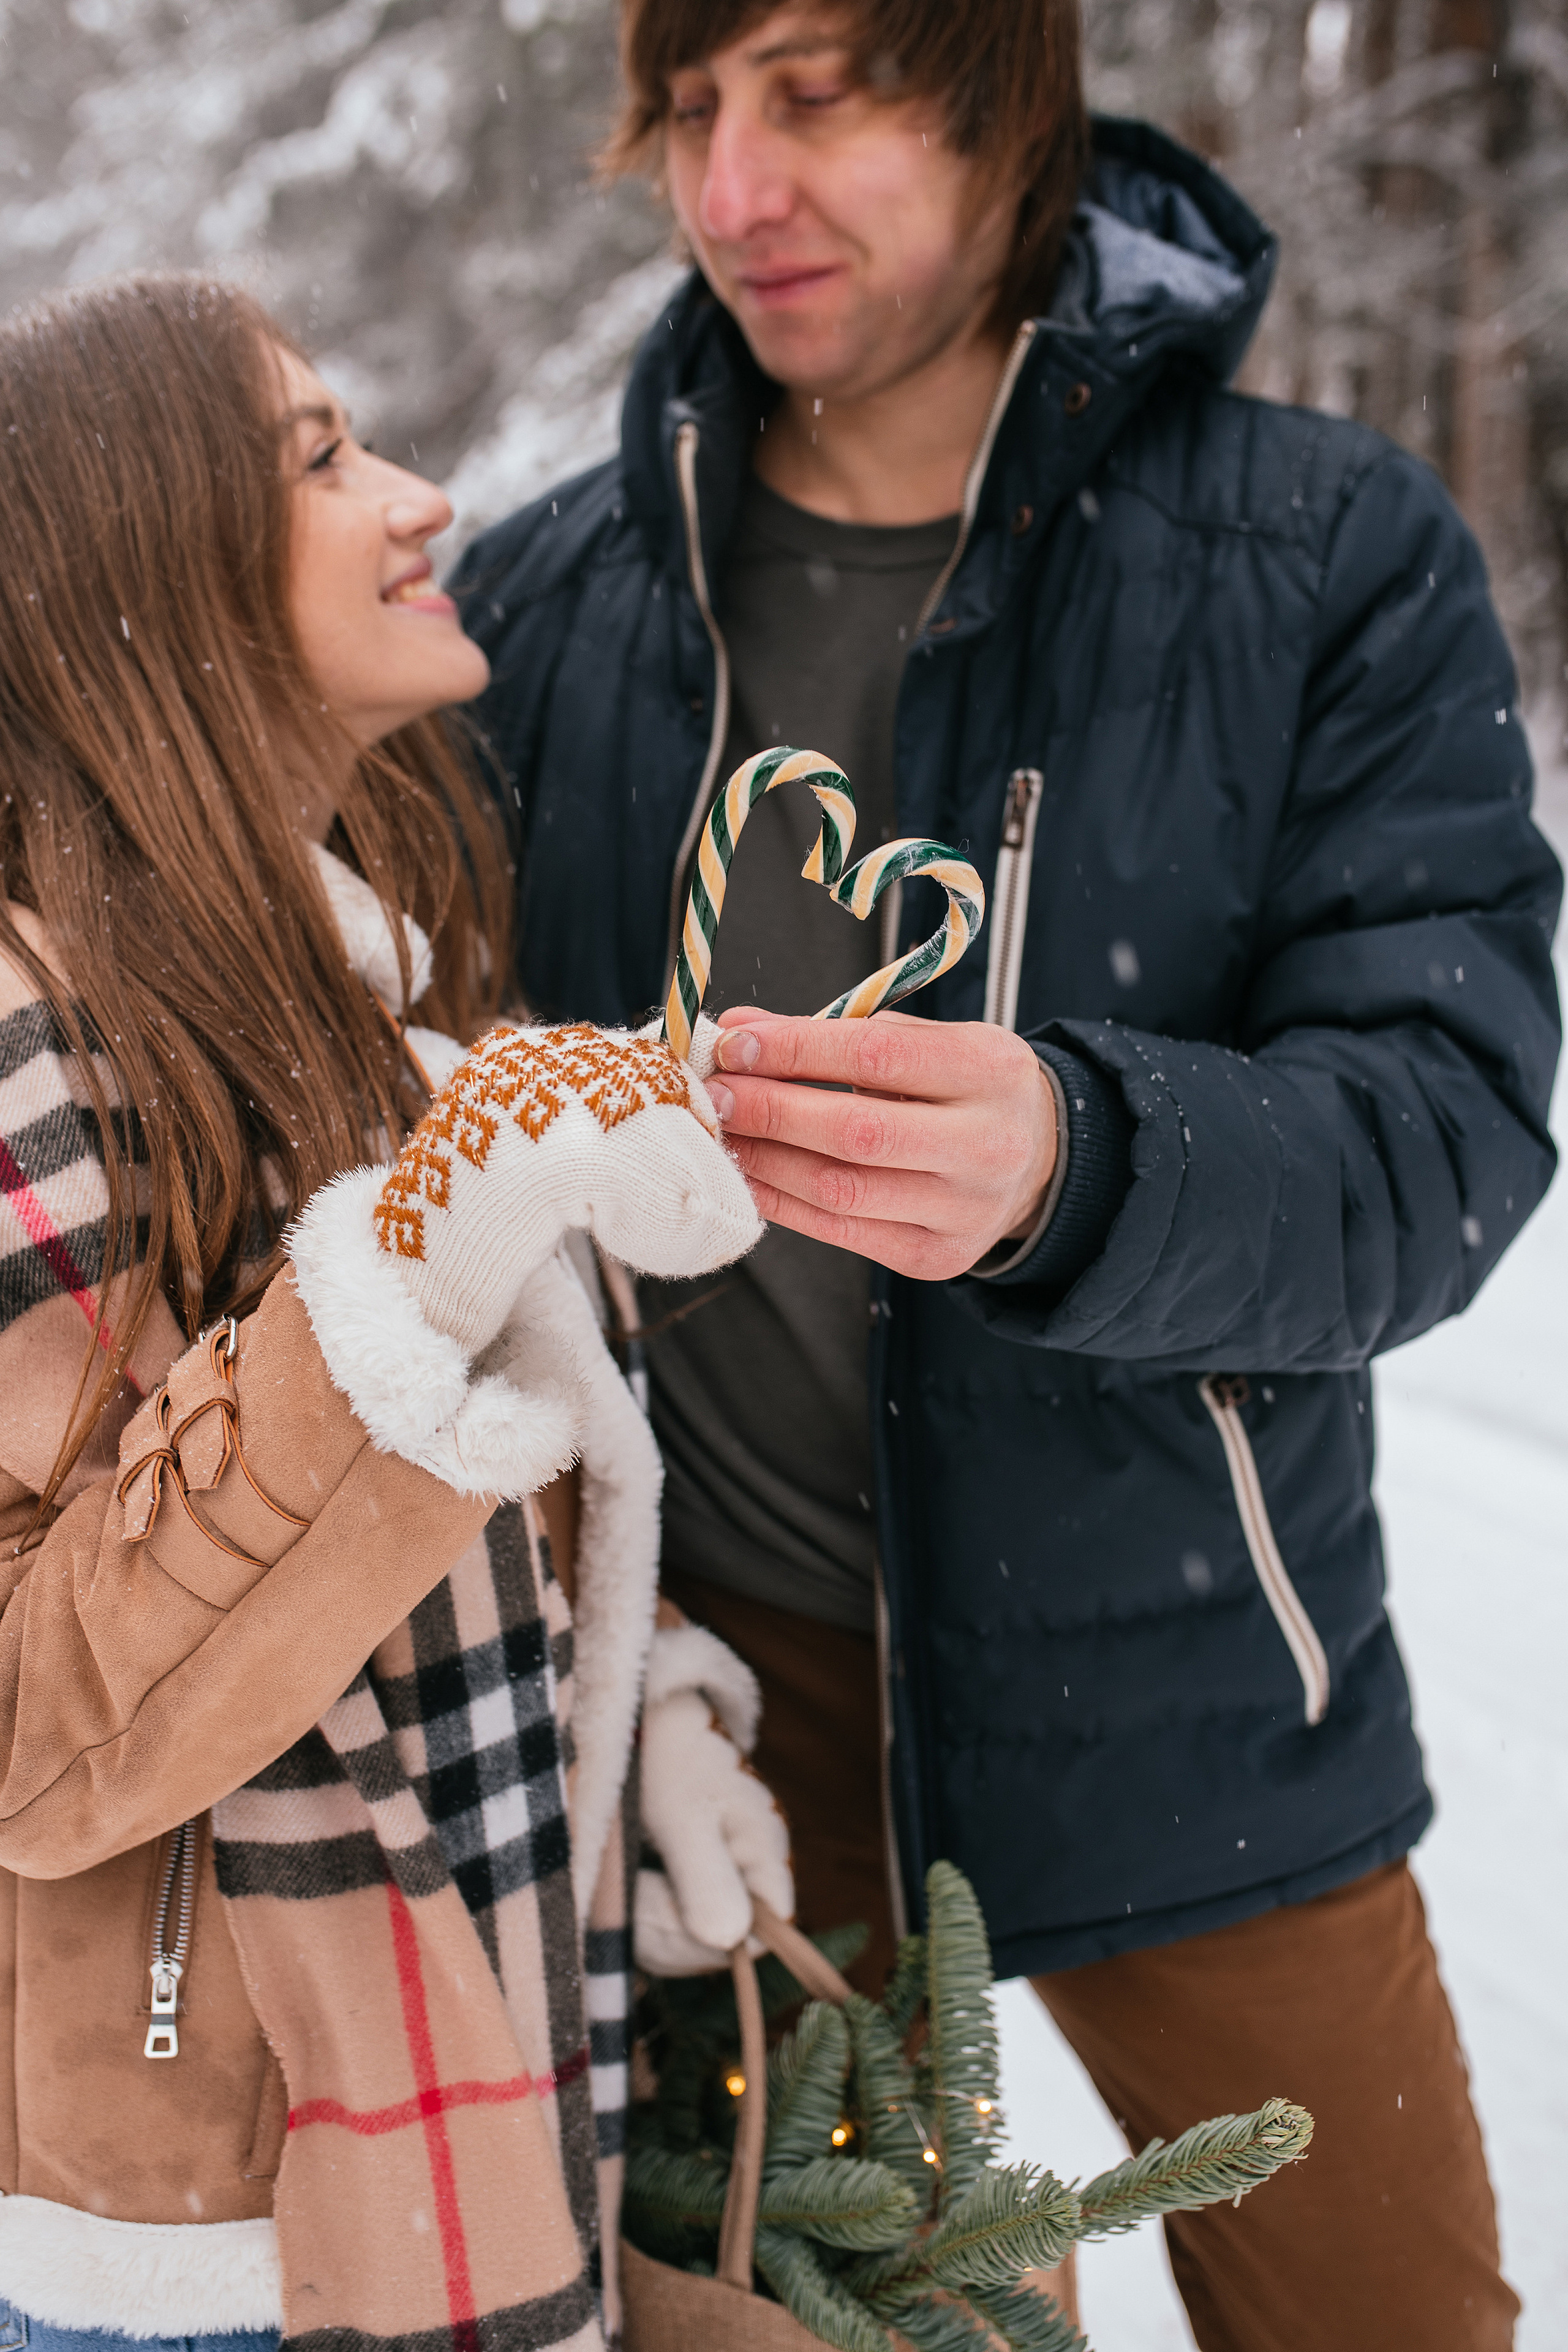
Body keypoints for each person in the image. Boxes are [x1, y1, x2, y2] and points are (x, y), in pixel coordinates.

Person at [454, 2, 1562, 2345]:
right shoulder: (555, 613)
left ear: (1004, 91)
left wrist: (1088, 1155)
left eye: (822, 92)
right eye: (695, 109)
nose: (734, 189)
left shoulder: (1328, 552)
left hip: (1190, 1696)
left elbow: (1448, 1128)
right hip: (719, 1738)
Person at [0, 275, 770, 2351]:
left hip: (470, 2118)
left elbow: (438, 1537)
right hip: (202, 2260)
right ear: (145, 567)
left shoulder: (378, 986)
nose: (421, 499)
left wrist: (649, 1710)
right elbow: (27, 1724)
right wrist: (418, 1256)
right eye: (323, 458)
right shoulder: (29, 1046)